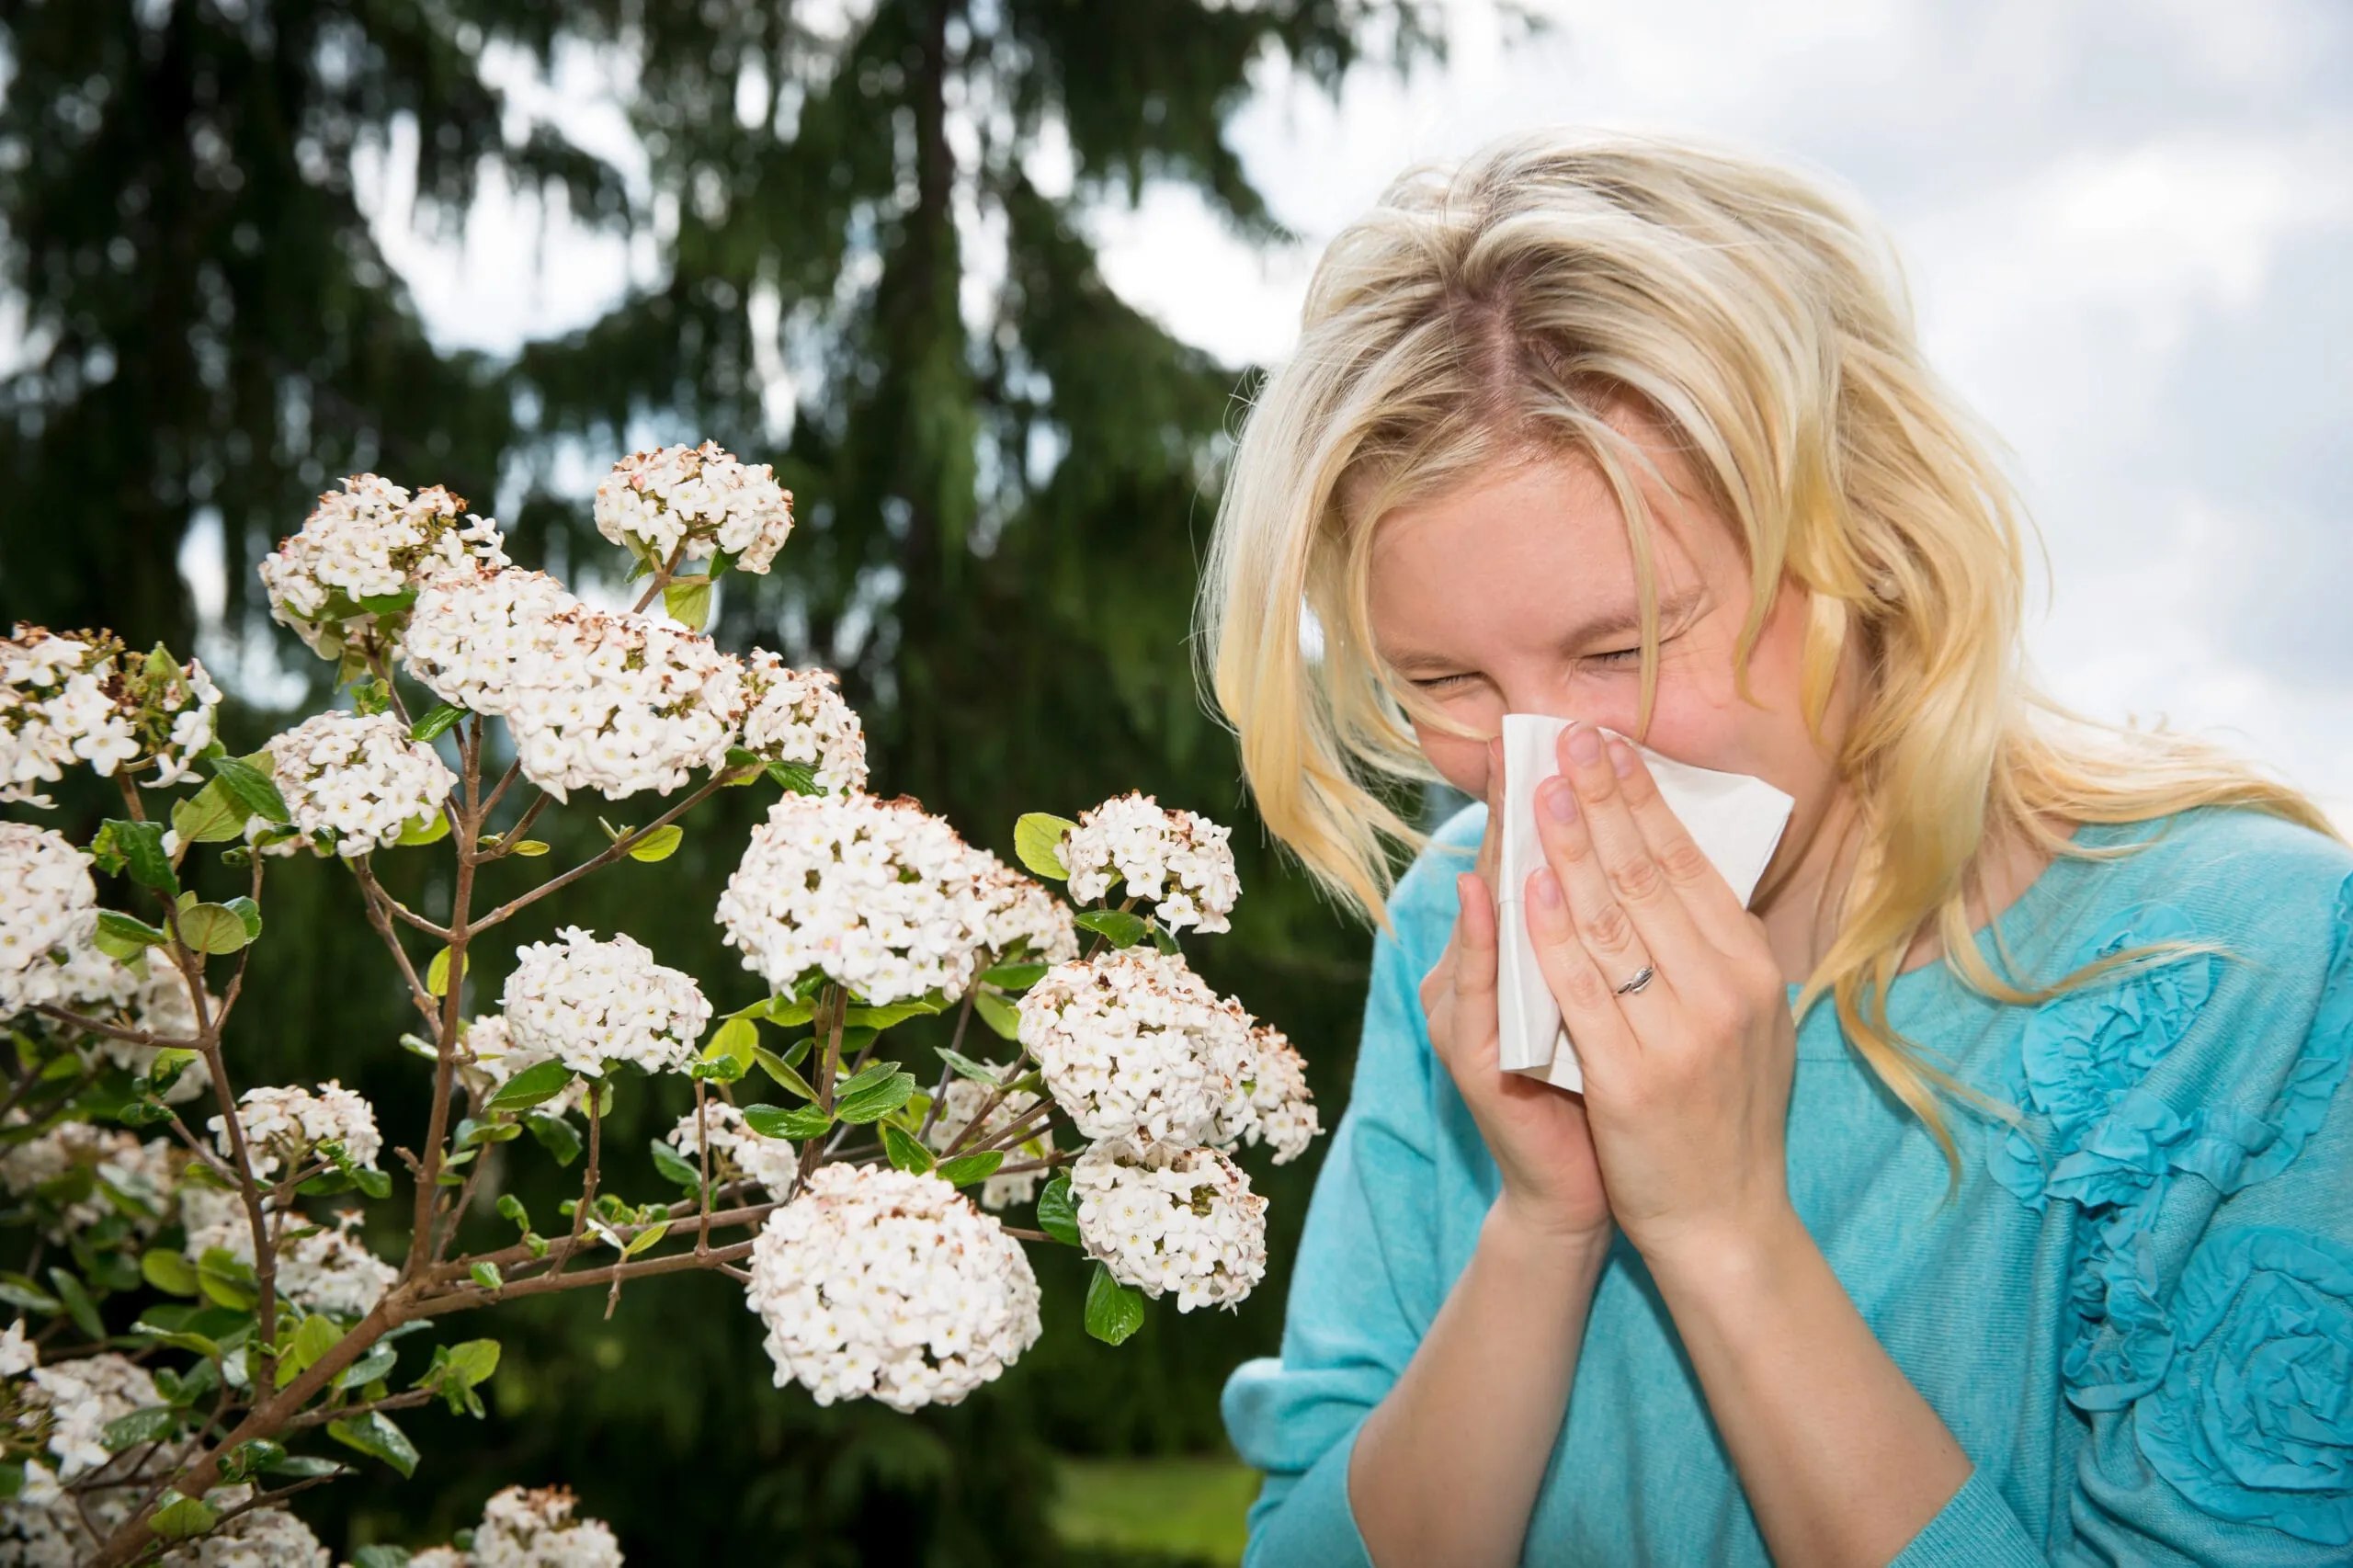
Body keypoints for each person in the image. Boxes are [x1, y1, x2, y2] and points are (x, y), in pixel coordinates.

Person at [1200, 128, 2353, 1567]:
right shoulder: (1460, 923)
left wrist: (1726, 1233)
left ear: (1873, 541)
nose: (1540, 766)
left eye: (1623, 642)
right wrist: (1540, 1232)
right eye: (1443, 681)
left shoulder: (2270, 966)